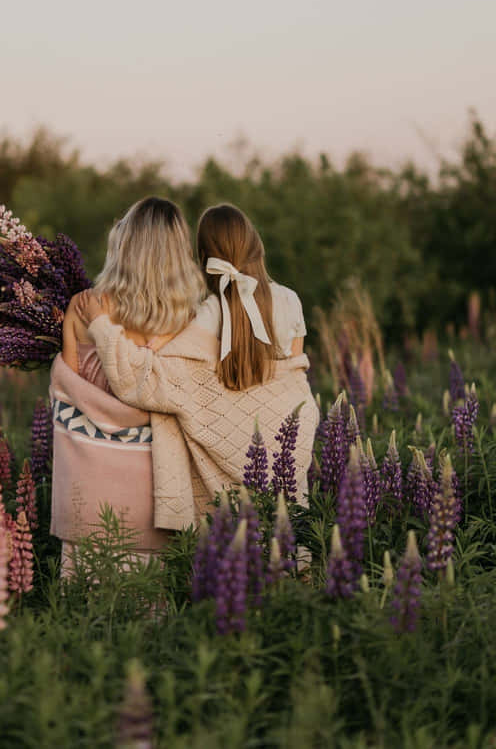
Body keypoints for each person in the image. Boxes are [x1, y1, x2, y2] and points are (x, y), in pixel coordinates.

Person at [77, 203, 318, 526]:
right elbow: (291, 381)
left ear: (204, 258)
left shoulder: (210, 312)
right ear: (256, 246)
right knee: (282, 552)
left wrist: (103, 325)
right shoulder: (291, 299)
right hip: (286, 447)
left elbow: (149, 379)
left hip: (239, 457)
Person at [51, 196, 205, 574]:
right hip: (155, 500)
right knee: (150, 626)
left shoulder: (84, 306)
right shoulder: (189, 320)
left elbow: (68, 398)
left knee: (82, 618)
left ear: (124, 245)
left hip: (85, 497)